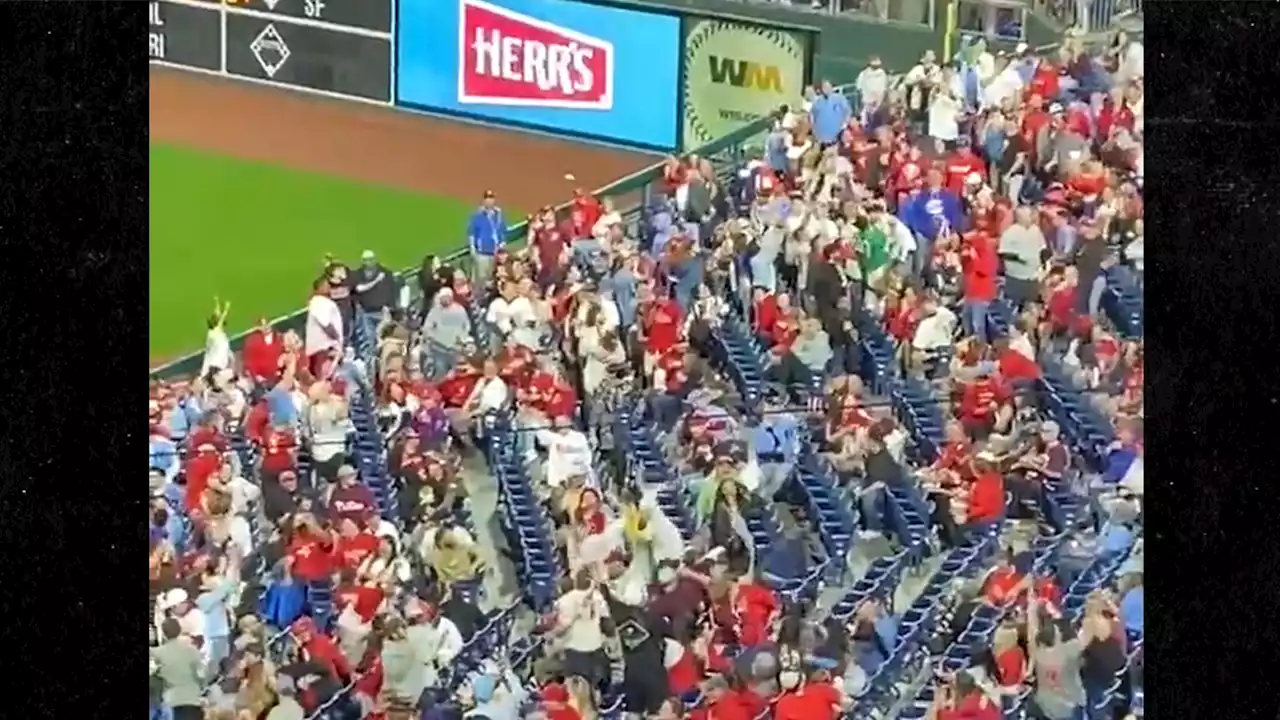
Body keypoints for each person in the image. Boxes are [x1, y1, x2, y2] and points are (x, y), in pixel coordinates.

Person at [150, 618, 206, 720]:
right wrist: (202, 687)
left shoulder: (157, 653)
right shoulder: (192, 651)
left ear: (163, 633)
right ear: (180, 630)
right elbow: (201, 675)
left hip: (171, 701)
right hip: (192, 699)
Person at [468, 189, 506, 285]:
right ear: (484, 201)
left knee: (494, 278)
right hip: (482, 254)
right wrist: (472, 248)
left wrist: (502, 243)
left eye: (491, 198)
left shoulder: (499, 216)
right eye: (487, 198)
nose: (489, 201)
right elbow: (472, 233)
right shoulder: (477, 215)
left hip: (496, 254)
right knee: (482, 280)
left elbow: (503, 231)